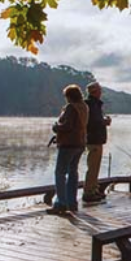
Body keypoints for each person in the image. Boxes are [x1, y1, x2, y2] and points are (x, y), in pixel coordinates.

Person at [49, 84, 89, 214]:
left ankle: (61, 203)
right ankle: (72, 202)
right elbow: (77, 126)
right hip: (80, 143)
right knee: (73, 172)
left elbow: (68, 126)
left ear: (69, 96)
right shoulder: (84, 107)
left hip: (68, 145)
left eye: (66, 96)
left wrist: (56, 127)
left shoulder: (71, 107)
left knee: (60, 173)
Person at [83, 81, 112, 203]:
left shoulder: (94, 104)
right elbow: (93, 123)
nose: (101, 92)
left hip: (96, 139)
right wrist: (105, 121)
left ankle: (93, 190)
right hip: (93, 140)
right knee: (93, 167)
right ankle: (89, 192)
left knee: (95, 166)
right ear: (95, 92)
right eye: (100, 90)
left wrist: (103, 120)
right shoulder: (91, 104)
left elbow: (95, 121)